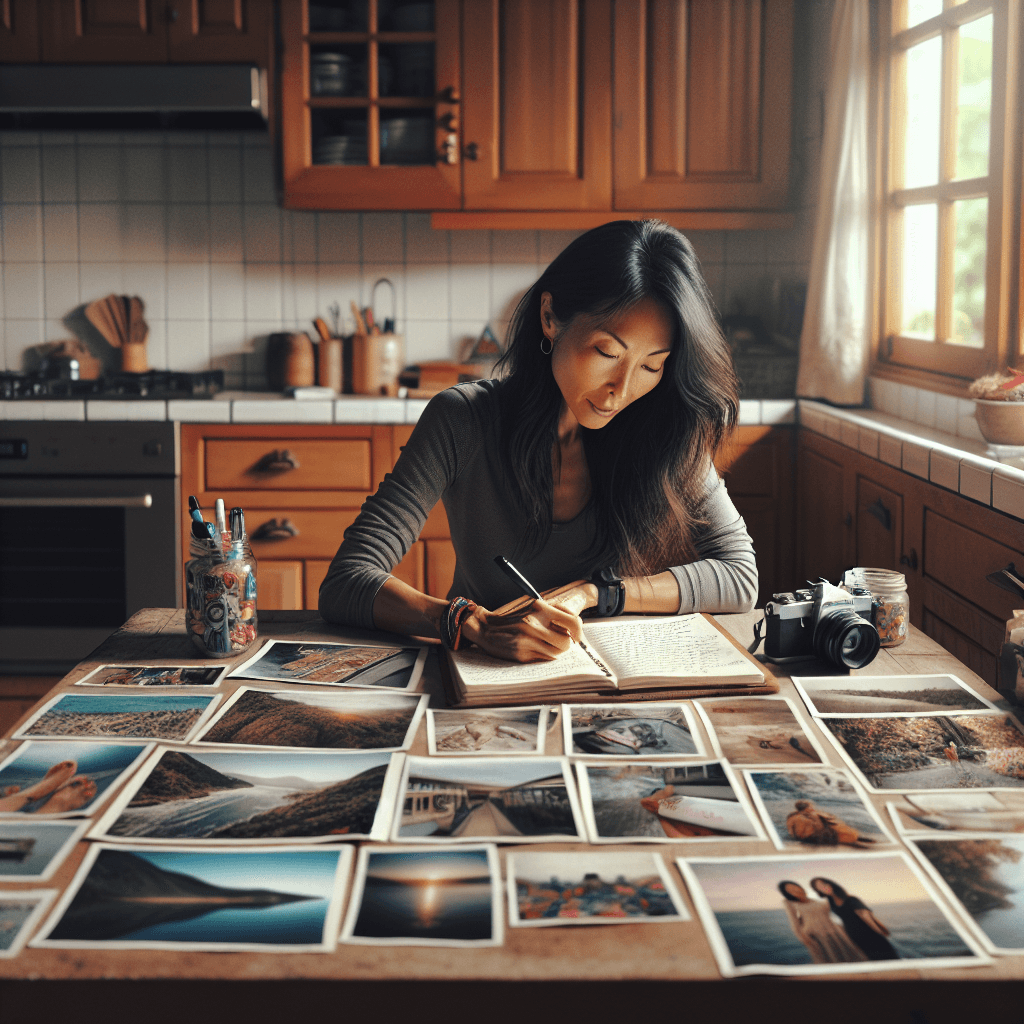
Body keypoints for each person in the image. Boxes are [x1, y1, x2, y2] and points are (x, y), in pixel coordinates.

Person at [319, 220, 757, 662]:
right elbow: (346, 580)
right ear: (550, 318)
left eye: (651, 366)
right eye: (607, 353)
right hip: (486, 673)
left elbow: (739, 576)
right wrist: (470, 623)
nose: (621, 390)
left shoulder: (663, 428)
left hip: (608, 680)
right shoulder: (463, 419)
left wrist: (597, 593)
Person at [777, 881, 868, 964]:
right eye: (790, 890)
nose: (794, 890)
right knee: (829, 958)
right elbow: (795, 924)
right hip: (816, 934)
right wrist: (805, 940)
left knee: (849, 953)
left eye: (794, 887)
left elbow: (835, 910)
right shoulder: (789, 903)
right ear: (787, 893)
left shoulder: (813, 899)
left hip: (835, 929)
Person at [810, 876, 899, 960]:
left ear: (830, 884)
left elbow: (867, 916)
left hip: (869, 933)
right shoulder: (832, 903)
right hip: (854, 935)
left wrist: (880, 931)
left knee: (889, 957)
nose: (823, 888)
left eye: (823, 885)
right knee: (873, 958)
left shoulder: (851, 899)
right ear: (819, 891)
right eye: (819, 888)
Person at [785, 799, 879, 848]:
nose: (813, 808)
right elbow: (819, 828)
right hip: (811, 837)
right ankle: (856, 838)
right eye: (811, 806)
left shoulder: (792, 816)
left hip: (804, 836)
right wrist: (817, 818)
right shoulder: (808, 816)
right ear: (806, 808)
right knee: (842, 831)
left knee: (839, 828)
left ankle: (857, 838)